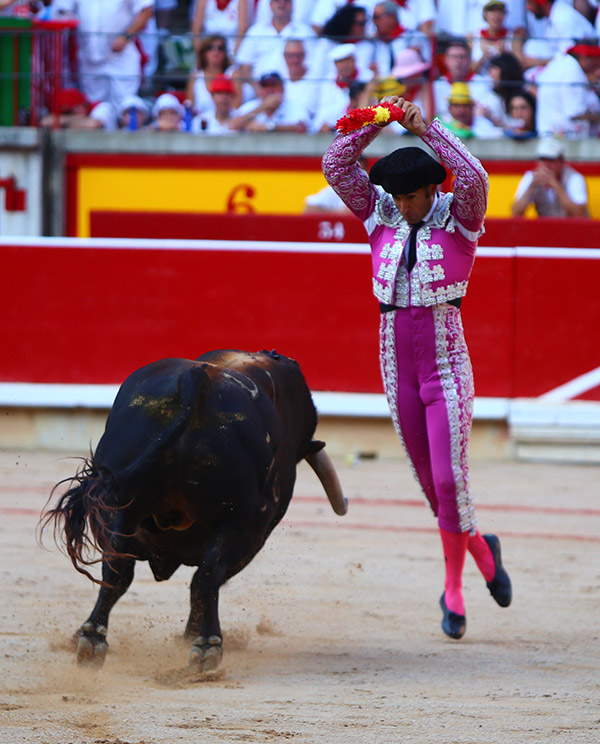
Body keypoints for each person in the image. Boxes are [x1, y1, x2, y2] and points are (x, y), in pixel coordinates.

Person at [321, 95, 512, 640]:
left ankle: (453, 592)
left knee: (451, 480)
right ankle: (480, 546)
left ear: (432, 189)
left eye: (411, 196)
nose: (402, 206)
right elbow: (335, 163)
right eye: (398, 197)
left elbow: (473, 175)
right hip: (394, 361)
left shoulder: (460, 217)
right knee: (434, 489)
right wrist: (376, 122)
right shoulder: (378, 212)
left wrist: (425, 129)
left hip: (446, 360)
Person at [50, 0, 155, 111]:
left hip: (121, 55)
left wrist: (126, 36)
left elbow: (146, 10)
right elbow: (61, 10)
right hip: (88, 55)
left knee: (124, 107)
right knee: (94, 108)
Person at [535, 41, 600, 137]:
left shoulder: (560, 62)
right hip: (562, 140)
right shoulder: (573, 71)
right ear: (586, 59)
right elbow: (575, 112)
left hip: (549, 133)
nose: (597, 66)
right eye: (596, 61)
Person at [511, 137, 590, 216]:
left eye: (551, 160)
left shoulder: (574, 178)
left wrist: (556, 186)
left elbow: (579, 213)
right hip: (545, 227)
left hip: (572, 228)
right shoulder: (531, 177)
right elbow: (516, 212)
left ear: (562, 162)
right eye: (543, 160)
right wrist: (530, 187)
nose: (546, 165)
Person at [229, 70, 310, 131]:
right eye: (265, 87)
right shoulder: (250, 106)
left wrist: (269, 127)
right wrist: (262, 107)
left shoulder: (294, 106)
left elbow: (302, 128)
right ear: (260, 90)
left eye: (274, 86)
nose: (270, 91)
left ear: (282, 89)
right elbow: (231, 126)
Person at [185, 34, 242, 118]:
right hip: (202, 125)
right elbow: (190, 106)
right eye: (210, 48)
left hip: (228, 125)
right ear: (204, 52)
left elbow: (237, 105)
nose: (215, 51)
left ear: (225, 53)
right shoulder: (195, 76)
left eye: (220, 48)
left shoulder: (233, 73)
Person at [40, 88, 118, 130]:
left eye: (72, 110)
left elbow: (93, 125)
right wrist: (74, 119)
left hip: (110, 151)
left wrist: (60, 124)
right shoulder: (71, 117)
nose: (72, 113)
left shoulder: (103, 107)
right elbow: (44, 123)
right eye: (67, 112)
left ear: (82, 105)